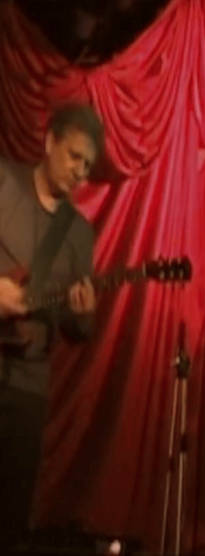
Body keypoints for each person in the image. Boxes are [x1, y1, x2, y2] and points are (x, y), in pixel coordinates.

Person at [0, 103, 103, 551]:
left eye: (87, 165)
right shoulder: (4, 183)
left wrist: (83, 314)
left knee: (10, 518)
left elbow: (77, 332)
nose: (80, 171)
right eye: (74, 156)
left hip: (29, 385)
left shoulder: (79, 233)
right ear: (48, 142)